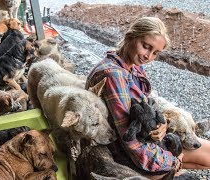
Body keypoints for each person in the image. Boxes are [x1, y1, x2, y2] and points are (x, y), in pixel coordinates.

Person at [85, 16, 210, 177]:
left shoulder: (131, 66)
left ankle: (171, 171)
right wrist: (171, 161)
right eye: (146, 47)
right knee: (200, 160)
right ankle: (167, 172)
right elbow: (129, 140)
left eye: (155, 53)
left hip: (147, 140)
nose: (148, 56)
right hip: (126, 154)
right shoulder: (114, 76)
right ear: (131, 36)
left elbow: (149, 105)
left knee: (205, 157)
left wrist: (163, 124)